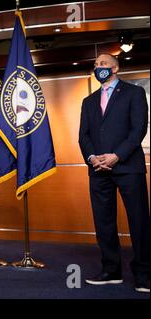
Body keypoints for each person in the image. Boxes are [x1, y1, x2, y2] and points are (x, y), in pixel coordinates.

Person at [78, 53, 150, 293]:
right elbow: (83, 136)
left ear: (116, 68)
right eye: (96, 64)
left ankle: (143, 274)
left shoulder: (134, 93)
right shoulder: (88, 101)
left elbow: (138, 129)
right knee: (104, 222)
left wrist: (117, 155)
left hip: (128, 167)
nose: (99, 67)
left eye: (104, 64)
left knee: (139, 221)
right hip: (98, 170)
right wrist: (92, 158)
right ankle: (111, 271)